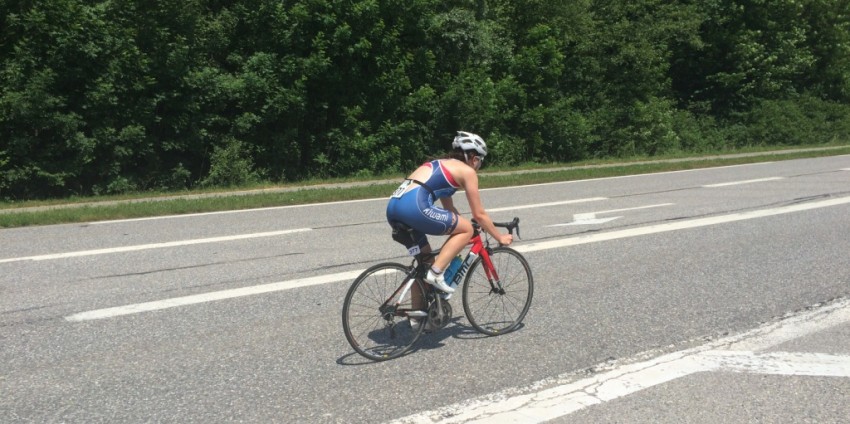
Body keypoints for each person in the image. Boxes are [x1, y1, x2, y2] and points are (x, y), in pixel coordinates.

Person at [386, 131, 513, 297]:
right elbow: (479, 214)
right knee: (466, 230)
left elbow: (450, 211)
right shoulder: (468, 172)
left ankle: (417, 318)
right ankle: (437, 273)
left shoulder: (440, 164)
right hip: (414, 207)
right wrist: (499, 237)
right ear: (474, 158)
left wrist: (471, 224)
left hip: (393, 208)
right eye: (480, 162)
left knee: (425, 265)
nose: (479, 166)